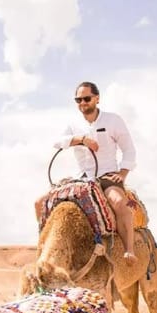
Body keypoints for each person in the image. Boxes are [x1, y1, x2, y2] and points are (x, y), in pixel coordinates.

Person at [54, 81, 138, 262]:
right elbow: (58, 142)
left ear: (97, 98)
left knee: (119, 202)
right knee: (42, 203)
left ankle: (130, 250)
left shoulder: (113, 120)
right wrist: (81, 139)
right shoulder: (73, 123)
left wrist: (122, 174)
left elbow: (129, 149)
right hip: (80, 178)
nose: (82, 103)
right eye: (78, 100)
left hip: (106, 175)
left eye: (86, 98)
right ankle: (47, 252)